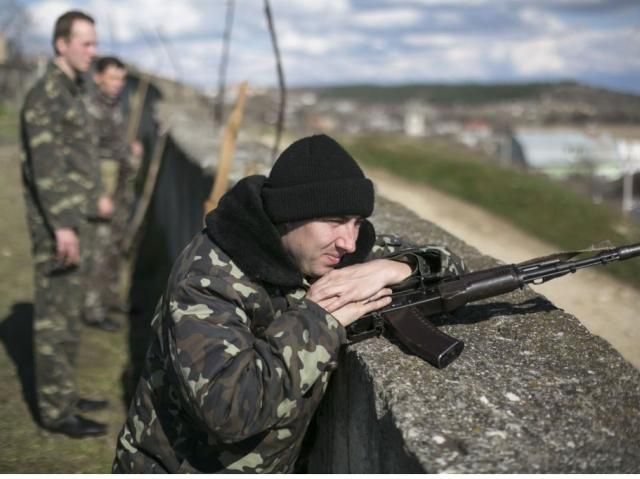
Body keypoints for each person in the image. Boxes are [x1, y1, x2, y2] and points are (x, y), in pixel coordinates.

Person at [112, 134, 464, 472]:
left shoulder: (330, 250)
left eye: (357, 222)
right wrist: (318, 321)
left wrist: (394, 267)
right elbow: (228, 409)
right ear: (289, 215)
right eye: (335, 222)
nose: (349, 241)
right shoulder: (208, 279)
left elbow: (453, 266)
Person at [19, 10, 111, 438]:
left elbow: (78, 159)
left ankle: (65, 393)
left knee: (69, 314)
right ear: (62, 44)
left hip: (77, 219)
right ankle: (56, 412)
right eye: (86, 43)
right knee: (55, 318)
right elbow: (47, 168)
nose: (93, 52)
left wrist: (93, 203)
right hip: (60, 227)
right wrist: (63, 227)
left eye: (94, 43)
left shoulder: (71, 91)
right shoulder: (46, 95)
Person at [83, 55, 142, 331]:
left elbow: (113, 142)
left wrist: (130, 149)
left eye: (122, 78)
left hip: (117, 186)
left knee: (114, 245)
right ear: (98, 77)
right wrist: (98, 194)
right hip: (101, 188)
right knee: (99, 247)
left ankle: (108, 298)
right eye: (113, 77)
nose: (119, 84)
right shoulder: (92, 108)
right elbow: (88, 156)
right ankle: (93, 308)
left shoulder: (114, 106)